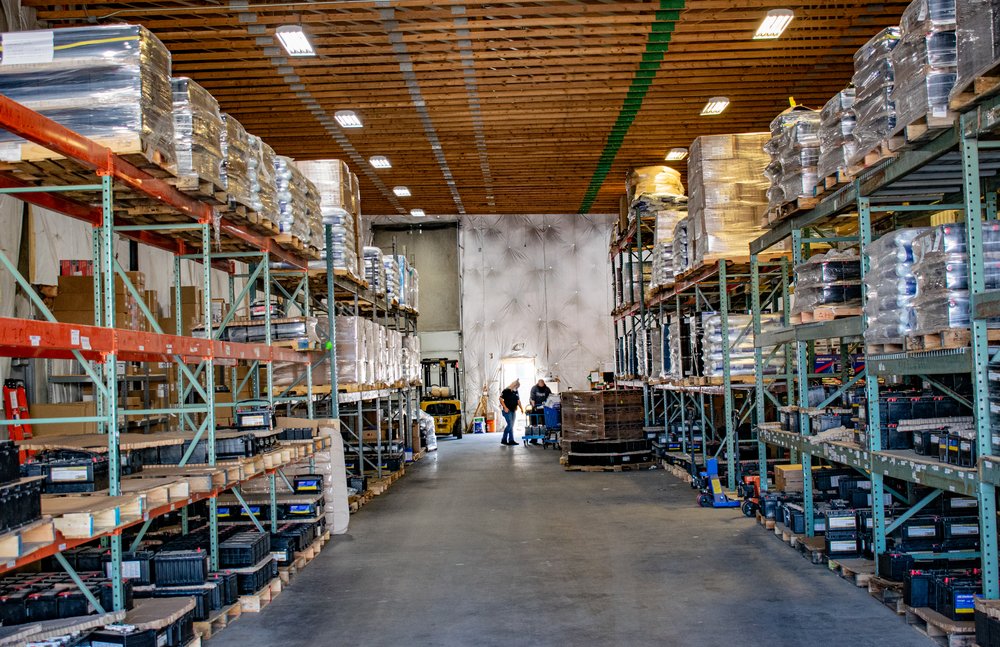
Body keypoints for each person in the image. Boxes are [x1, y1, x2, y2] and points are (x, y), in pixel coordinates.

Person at [527, 380, 552, 444]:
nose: (541, 387)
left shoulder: (547, 389)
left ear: (544, 384)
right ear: (538, 384)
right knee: (534, 423)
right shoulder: (534, 388)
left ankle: (546, 438)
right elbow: (532, 398)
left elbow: (550, 397)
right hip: (536, 407)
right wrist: (533, 405)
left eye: (542, 386)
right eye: (540, 386)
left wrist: (548, 405)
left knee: (545, 423)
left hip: (544, 408)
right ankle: (534, 439)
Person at [499, 380, 523, 447]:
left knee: (511, 426)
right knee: (510, 425)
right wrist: (505, 407)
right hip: (507, 411)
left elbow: (518, 401)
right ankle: (504, 439)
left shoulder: (516, 391)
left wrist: (521, 408)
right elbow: (500, 399)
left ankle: (511, 440)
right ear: (514, 385)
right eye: (517, 387)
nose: (517, 388)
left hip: (513, 410)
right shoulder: (505, 391)